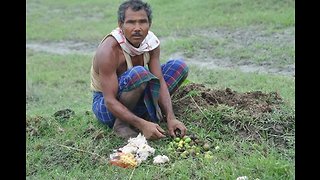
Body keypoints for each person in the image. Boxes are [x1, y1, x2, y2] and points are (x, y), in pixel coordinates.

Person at [90, 0, 189, 140]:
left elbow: (159, 80)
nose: (137, 28)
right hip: (107, 108)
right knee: (139, 74)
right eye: (131, 22)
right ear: (120, 25)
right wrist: (142, 125)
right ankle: (121, 125)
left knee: (178, 67)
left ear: (150, 24)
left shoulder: (151, 43)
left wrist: (171, 118)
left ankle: (145, 114)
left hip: (137, 95)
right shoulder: (109, 50)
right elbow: (110, 101)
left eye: (142, 22)